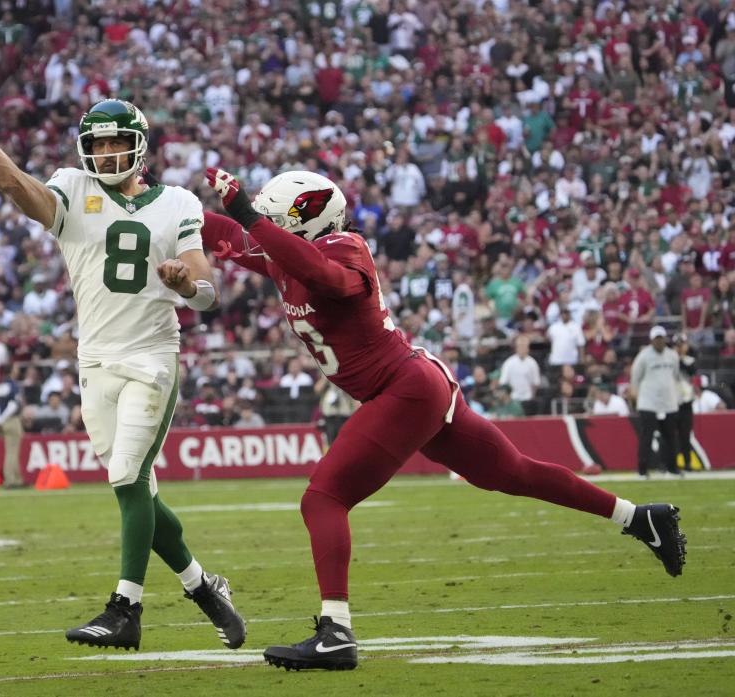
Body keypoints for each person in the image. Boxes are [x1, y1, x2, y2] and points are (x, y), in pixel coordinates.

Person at [202, 167, 686, 671]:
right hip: (413, 387)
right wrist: (159, 206)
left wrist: (249, 218)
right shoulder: (282, 251)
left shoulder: (345, 247)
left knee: (324, 496)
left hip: (405, 389)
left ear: (308, 220)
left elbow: (323, 277)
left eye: (275, 219)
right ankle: (638, 517)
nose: (265, 227)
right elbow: (222, 235)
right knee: (512, 472)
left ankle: (336, 631)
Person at [0, 76, 244, 651]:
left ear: (139, 145)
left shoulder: (177, 203)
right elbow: (10, 179)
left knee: (127, 476)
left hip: (150, 356)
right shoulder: (73, 190)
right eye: (94, 145)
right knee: (134, 490)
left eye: (114, 143)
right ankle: (202, 588)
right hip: (94, 362)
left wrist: (185, 282)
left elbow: (207, 291)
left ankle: (125, 609)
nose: (103, 154)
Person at [630, 326, 681, 478]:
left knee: (671, 437)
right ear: (651, 340)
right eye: (656, 338)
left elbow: (676, 376)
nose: (659, 341)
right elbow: (635, 378)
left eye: (661, 338)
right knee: (647, 437)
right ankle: (642, 470)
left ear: (665, 339)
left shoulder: (672, 355)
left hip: (669, 403)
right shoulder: (643, 356)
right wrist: (636, 396)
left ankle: (672, 468)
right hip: (648, 402)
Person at [0, 369, 24, 488]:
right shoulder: (13, 386)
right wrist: (1, 420)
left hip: (2, 422)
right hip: (11, 420)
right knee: (12, 452)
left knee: (10, 451)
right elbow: (13, 405)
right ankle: (11, 480)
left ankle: (17, 479)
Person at [673, 334, 697, 471]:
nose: (680, 348)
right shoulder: (669, 360)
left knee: (685, 434)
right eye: (678, 345)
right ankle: (671, 463)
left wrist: (679, 357)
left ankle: (687, 462)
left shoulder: (690, 360)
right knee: (671, 435)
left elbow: (691, 371)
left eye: (682, 345)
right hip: (672, 401)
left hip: (686, 401)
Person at [498, 335, 541, 403]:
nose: (522, 348)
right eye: (520, 346)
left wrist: (532, 397)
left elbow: (536, 383)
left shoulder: (533, 363)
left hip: (528, 398)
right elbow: (503, 382)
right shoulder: (509, 363)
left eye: (524, 346)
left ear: (528, 348)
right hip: (513, 398)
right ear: (516, 348)